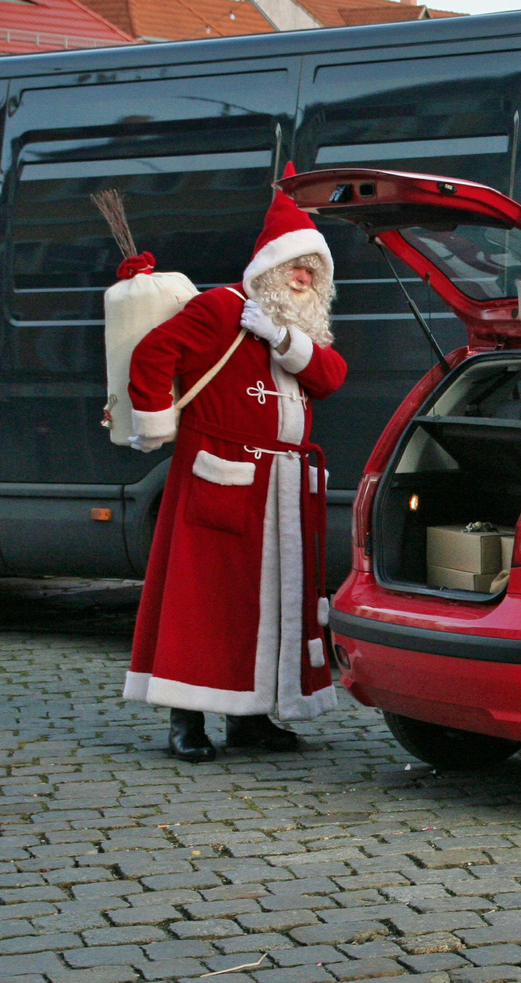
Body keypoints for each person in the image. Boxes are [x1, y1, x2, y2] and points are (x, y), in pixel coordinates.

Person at [124, 171, 348, 762]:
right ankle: (186, 719)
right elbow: (153, 353)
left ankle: (251, 720)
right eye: (296, 267)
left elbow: (331, 378)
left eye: (313, 271)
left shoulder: (297, 330)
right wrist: (155, 424)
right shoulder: (221, 307)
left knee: (268, 607)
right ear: (269, 268)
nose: (304, 278)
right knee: (205, 602)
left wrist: (282, 338)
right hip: (220, 476)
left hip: (281, 490)